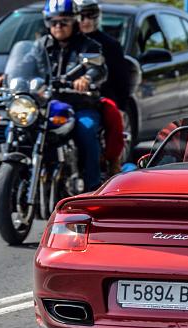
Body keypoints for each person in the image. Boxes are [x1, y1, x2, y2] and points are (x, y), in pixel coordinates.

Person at [41, 0, 108, 191]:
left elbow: (99, 68)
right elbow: (27, 64)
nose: (58, 26)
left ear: (75, 21)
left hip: (81, 105)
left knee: (86, 130)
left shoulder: (88, 46)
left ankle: (92, 186)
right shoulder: (41, 46)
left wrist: (87, 77)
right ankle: (20, 174)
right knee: (19, 128)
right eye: (53, 22)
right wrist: (7, 77)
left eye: (64, 22)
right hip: (48, 105)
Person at [76, 0, 128, 173]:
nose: (86, 20)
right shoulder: (63, 42)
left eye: (90, 15)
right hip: (66, 95)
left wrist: (121, 106)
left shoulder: (110, 45)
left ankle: (112, 160)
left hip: (99, 96)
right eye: (81, 15)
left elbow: (121, 79)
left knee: (113, 115)